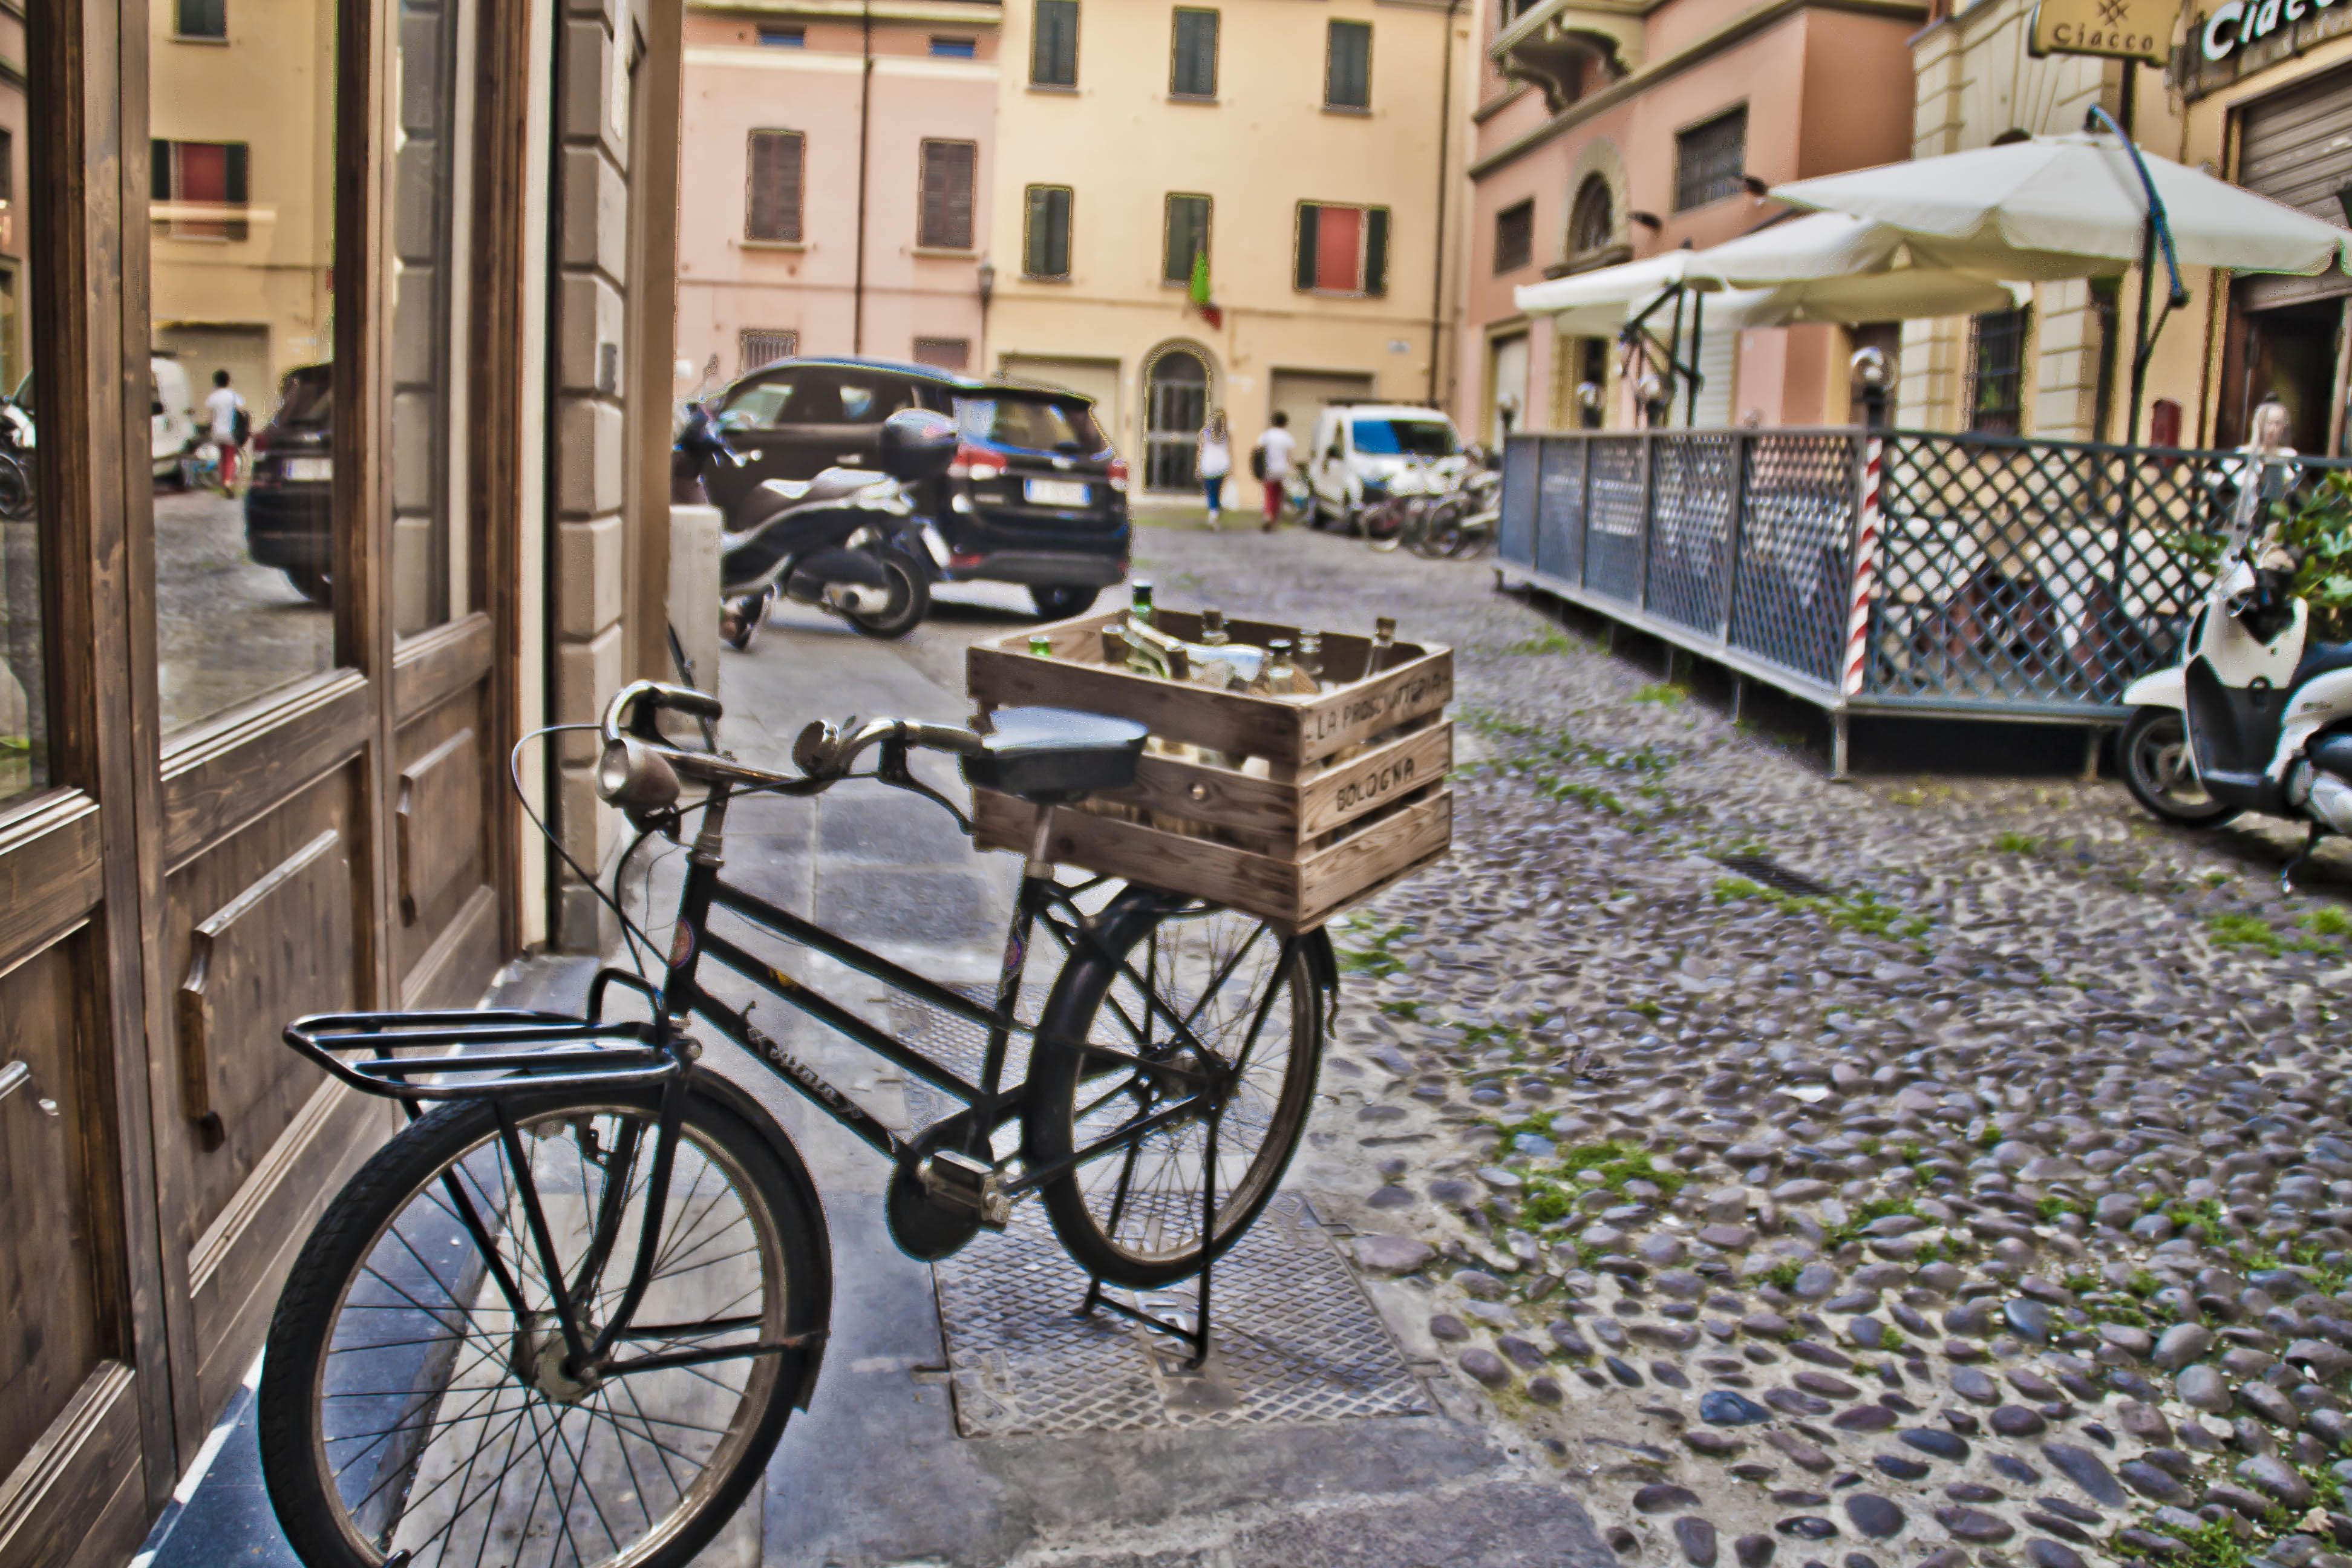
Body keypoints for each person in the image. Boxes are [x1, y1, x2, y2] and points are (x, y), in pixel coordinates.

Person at [204, 369, 247, 492]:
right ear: (228, 381)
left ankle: (223, 480)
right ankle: (228, 482)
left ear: (216, 382)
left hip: (217, 432)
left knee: (222, 457)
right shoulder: (233, 396)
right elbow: (240, 411)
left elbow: (211, 416)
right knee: (230, 457)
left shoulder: (213, 397)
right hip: (231, 431)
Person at [1252, 410, 1296, 534]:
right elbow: (1290, 456)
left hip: (1268, 469)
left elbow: (1259, 451)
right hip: (1282, 470)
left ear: (1273, 421)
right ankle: (1274, 521)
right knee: (1278, 496)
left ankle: (1268, 517)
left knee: (1269, 494)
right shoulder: (1287, 437)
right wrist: (1294, 468)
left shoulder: (1266, 436)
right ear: (1285, 423)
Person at [1197, 410, 1231, 529]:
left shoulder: (1205, 433)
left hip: (1208, 466)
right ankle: (1215, 512)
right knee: (1217, 491)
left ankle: (1213, 515)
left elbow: (1200, 451)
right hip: (1222, 466)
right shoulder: (1226, 434)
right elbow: (1229, 451)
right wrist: (1231, 469)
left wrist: (1197, 467)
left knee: (1210, 492)